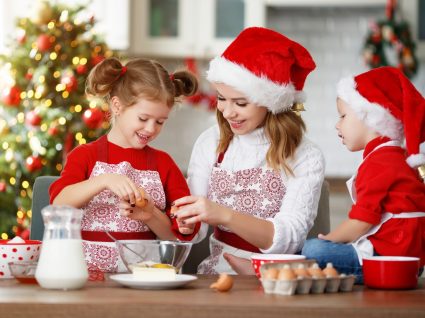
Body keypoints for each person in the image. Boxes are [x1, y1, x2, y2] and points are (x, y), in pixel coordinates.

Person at [173, 27, 325, 274]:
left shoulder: (306, 155)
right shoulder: (210, 142)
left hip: (277, 277)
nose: (228, 112)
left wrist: (224, 215)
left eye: (241, 103)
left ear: (270, 102)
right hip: (217, 273)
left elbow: (291, 238)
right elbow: (196, 229)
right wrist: (185, 223)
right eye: (222, 98)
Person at [49, 57, 201, 272]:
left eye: (160, 122)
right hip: (83, 274)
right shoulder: (85, 155)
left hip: (142, 277)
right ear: (117, 106)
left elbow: (177, 238)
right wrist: (103, 180)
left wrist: (150, 214)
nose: (150, 129)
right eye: (143, 118)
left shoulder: (163, 163)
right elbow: (58, 205)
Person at [302, 66, 425, 283]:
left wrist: (329, 239)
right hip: (408, 255)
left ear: (371, 117)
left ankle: (276, 266)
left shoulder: (380, 161)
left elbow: (361, 222)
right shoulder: (393, 155)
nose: (337, 124)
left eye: (343, 116)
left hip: (390, 256)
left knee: (313, 248)